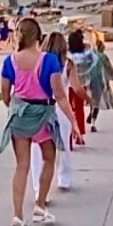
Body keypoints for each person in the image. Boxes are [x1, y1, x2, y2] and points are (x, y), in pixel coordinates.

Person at [0, 17, 68, 226]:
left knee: (22, 166)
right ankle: (40, 205)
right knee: (49, 157)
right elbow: (58, 93)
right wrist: (72, 120)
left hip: (20, 114)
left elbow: (4, 95)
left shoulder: (9, 62)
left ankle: (18, 217)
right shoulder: (49, 61)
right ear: (39, 37)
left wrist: (16, 106)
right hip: (43, 114)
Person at [30, 30, 75, 196]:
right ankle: (64, 178)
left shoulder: (36, 62)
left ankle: (38, 188)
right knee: (63, 144)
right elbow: (75, 87)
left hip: (39, 107)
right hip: (60, 109)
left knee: (37, 149)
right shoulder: (68, 64)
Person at [66, 29, 96, 143]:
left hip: (68, 85)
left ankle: (69, 135)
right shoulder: (86, 54)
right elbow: (95, 61)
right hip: (81, 83)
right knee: (79, 110)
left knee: (68, 110)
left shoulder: (68, 55)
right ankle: (80, 135)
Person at [88, 36, 113, 129]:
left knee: (92, 101)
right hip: (100, 82)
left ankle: (91, 113)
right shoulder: (103, 56)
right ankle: (93, 123)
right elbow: (110, 69)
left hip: (90, 81)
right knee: (97, 102)